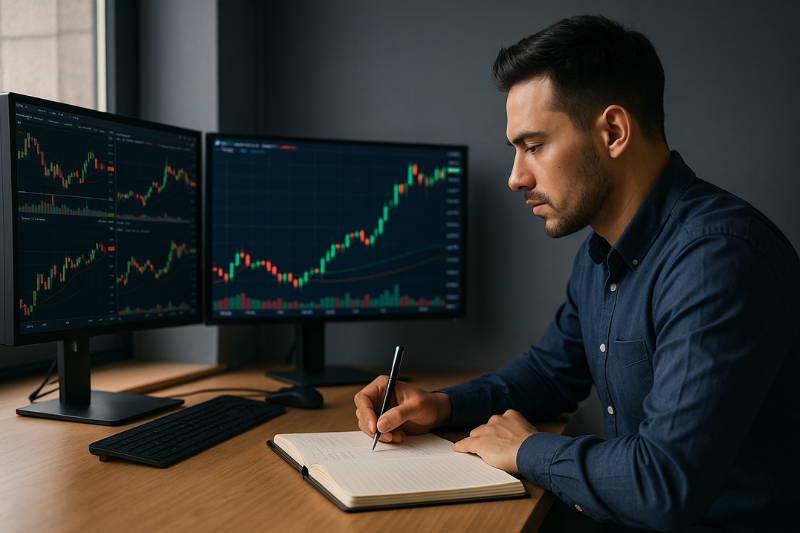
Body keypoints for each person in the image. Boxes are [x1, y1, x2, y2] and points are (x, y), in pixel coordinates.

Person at [354, 14, 799, 532]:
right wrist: (443, 404)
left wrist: (528, 451)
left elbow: (664, 484)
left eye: (534, 146)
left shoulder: (716, 261)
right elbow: (549, 374)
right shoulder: (601, 253)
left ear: (612, 131)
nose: (515, 177)